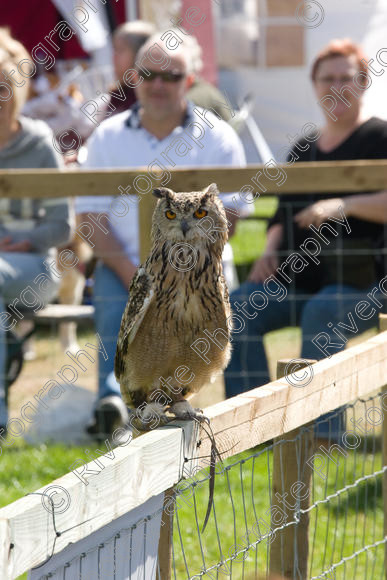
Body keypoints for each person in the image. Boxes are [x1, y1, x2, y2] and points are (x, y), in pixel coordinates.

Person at [76, 33, 250, 438]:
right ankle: (118, 406)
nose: (157, 84)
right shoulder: (108, 135)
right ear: (133, 77)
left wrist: (194, 262)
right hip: (123, 262)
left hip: (205, 270)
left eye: (170, 76)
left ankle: (190, 400)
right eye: (148, 74)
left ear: (190, 80)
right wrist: (137, 276)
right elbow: (89, 217)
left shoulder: (218, 135)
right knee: (122, 317)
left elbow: (235, 210)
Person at [224, 38, 387, 440]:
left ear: (364, 82)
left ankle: (322, 436)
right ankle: (251, 432)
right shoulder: (303, 149)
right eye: (326, 79)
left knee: (321, 312)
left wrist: (343, 205)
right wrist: (267, 251)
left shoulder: (380, 139)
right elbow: (282, 212)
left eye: (345, 78)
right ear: (314, 86)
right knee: (239, 307)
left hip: (369, 283)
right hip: (299, 279)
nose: (336, 87)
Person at [0, 32, 72, 435]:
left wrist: (26, 240)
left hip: (35, 267)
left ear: (19, 90)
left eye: (4, 88)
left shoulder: (39, 143)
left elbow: (63, 226)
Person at [105, 20, 156, 117]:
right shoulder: (116, 97)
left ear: (139, 55)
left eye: (120, 50)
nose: (114, 57)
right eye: (114, 50)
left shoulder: (153, 97)